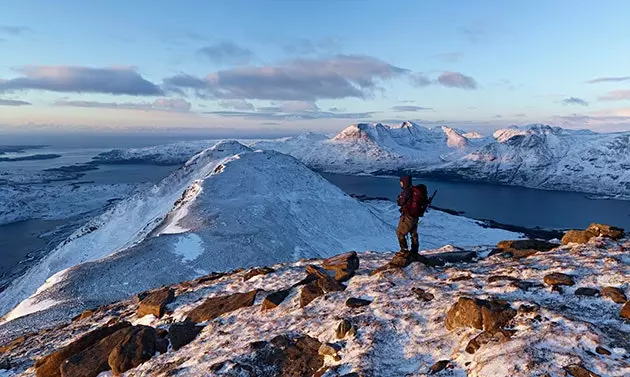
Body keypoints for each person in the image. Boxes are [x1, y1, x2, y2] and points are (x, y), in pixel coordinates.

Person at [396, 175, 425, 255]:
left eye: (401, 182)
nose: (400, 184)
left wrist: (399, 198)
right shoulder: (414, 190)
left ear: (404, 182)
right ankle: (414, 250)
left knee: (400, 233)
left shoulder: (406, 191)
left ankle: (404, 250)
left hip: (408, 216)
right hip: (415, 216)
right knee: (413, 233)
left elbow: (400, 202)